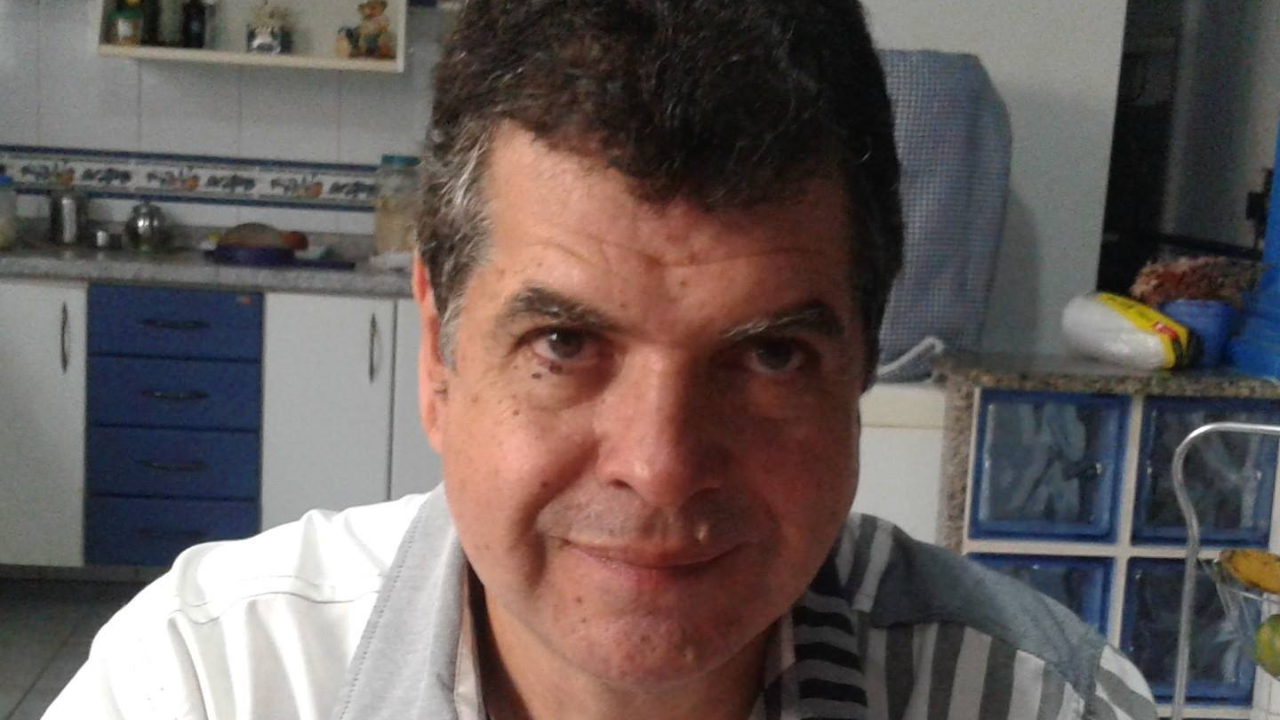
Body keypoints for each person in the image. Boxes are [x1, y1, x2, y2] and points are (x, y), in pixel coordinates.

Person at [46, 1, 1159, 719]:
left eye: (772, 355)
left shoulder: (1041, 703)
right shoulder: (208, 682)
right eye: (564, 343)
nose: (660, 467)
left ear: (860, 368)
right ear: (438, 356)